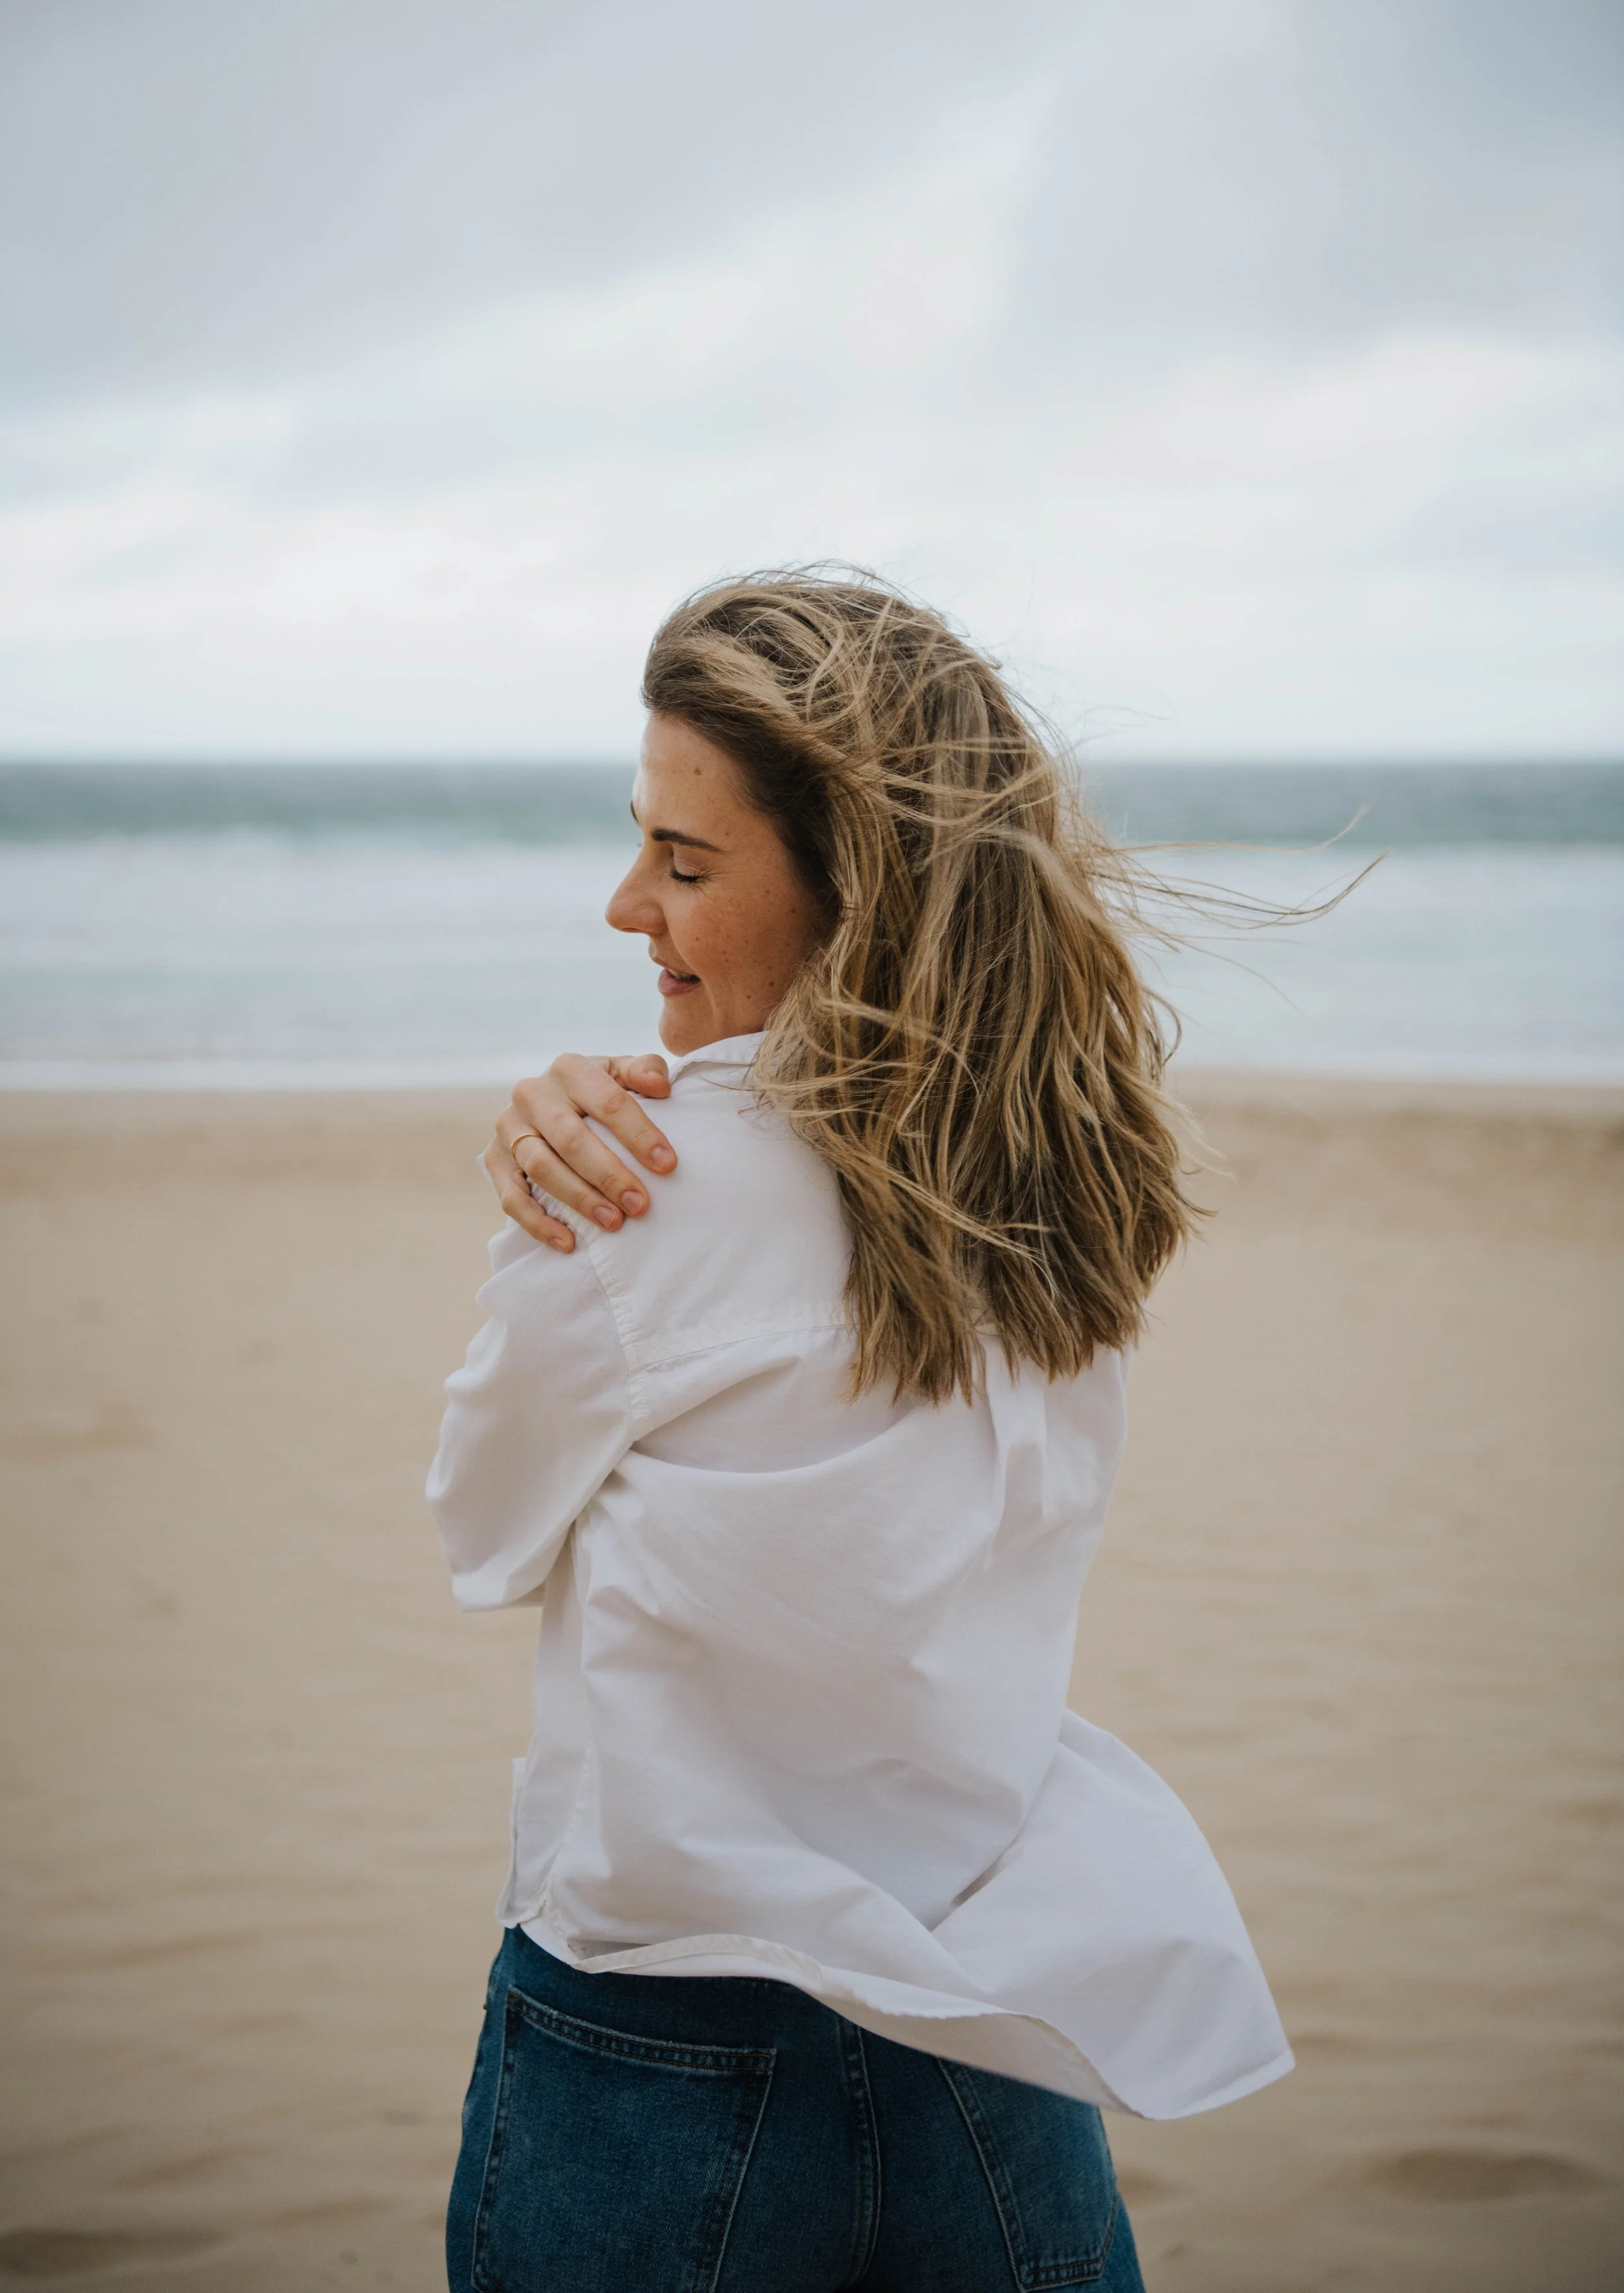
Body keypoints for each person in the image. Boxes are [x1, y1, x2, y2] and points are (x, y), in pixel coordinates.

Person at [428, 570, 1291, 2292]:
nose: (626, 904)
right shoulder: (1067, 1181)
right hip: (990, 2012)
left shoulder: (632, 1194)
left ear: (857, 885)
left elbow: (481, 1529)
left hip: (655, 2030)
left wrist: (540, 1176)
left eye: (684, 862)